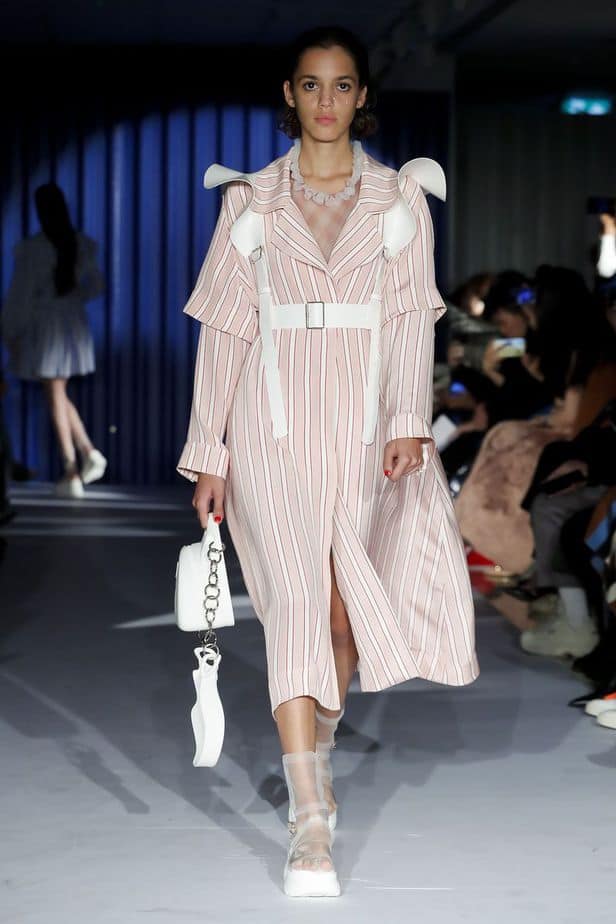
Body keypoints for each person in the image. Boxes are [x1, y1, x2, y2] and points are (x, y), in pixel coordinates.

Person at [177, 26, 479, 898]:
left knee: (345, 621)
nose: (326, 102)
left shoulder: (400, 198)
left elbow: (409, 318)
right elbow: (225, 331)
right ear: (289, 94)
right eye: (311, 85)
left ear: (361, 95)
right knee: (297, 610)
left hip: (361, 426)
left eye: (341, 85)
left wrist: (408, 419)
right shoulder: (249, 202)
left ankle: (319, 741)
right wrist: (209, 453)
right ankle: (311, 821)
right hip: (267, 425)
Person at [1, 183, 107, 498]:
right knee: (56, 391)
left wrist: (10, 330)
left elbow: (19, 295)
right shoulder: (81, 244)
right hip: (72, 324)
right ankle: (87, 453)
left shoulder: (32, 249)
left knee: (55, 391)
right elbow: (96, 285)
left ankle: (73, 468)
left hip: (47, 326)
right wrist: (73, 299)